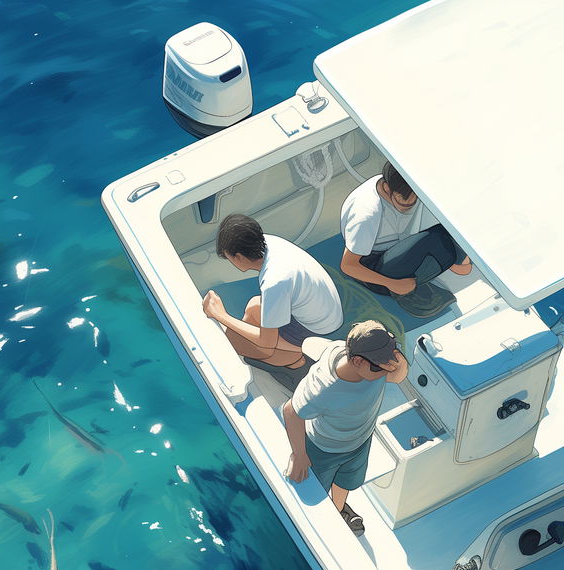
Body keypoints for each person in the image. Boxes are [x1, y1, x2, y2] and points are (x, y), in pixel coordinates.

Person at [282, 320, 408, 536]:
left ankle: (338, 509)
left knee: (347, 480)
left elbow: (397, 375)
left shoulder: (374, 364)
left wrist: (393, 357)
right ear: (358, 361)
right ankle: (319, 522)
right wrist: (299, 454)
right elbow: (291, 411)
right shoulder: (324, 389)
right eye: (380, 366)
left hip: (359, 441)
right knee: (315, 493)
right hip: (324, 448)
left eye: (392, 358)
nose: (387, 370)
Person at [202, 214, 343, 390]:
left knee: (233, 343)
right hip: (326, 312)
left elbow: (266, 341)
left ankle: (293, 362)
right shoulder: (269, 243)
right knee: (254, 306)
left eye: (228, 257)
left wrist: (220, 315)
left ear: (238, 257)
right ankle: (285, 355)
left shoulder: (274, 280)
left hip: (316, 329)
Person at [340, 162, 472, 318]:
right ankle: (407, 288)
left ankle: (450, 259)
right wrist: (392, 284)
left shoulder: (389, 183)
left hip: (391, 246)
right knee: (438, 241)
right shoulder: (367, 214)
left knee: (446, 232)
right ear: (388, 189)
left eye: (412, 203)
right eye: (402, 203)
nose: (406, 208)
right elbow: (348, 266)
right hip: (375, 268)